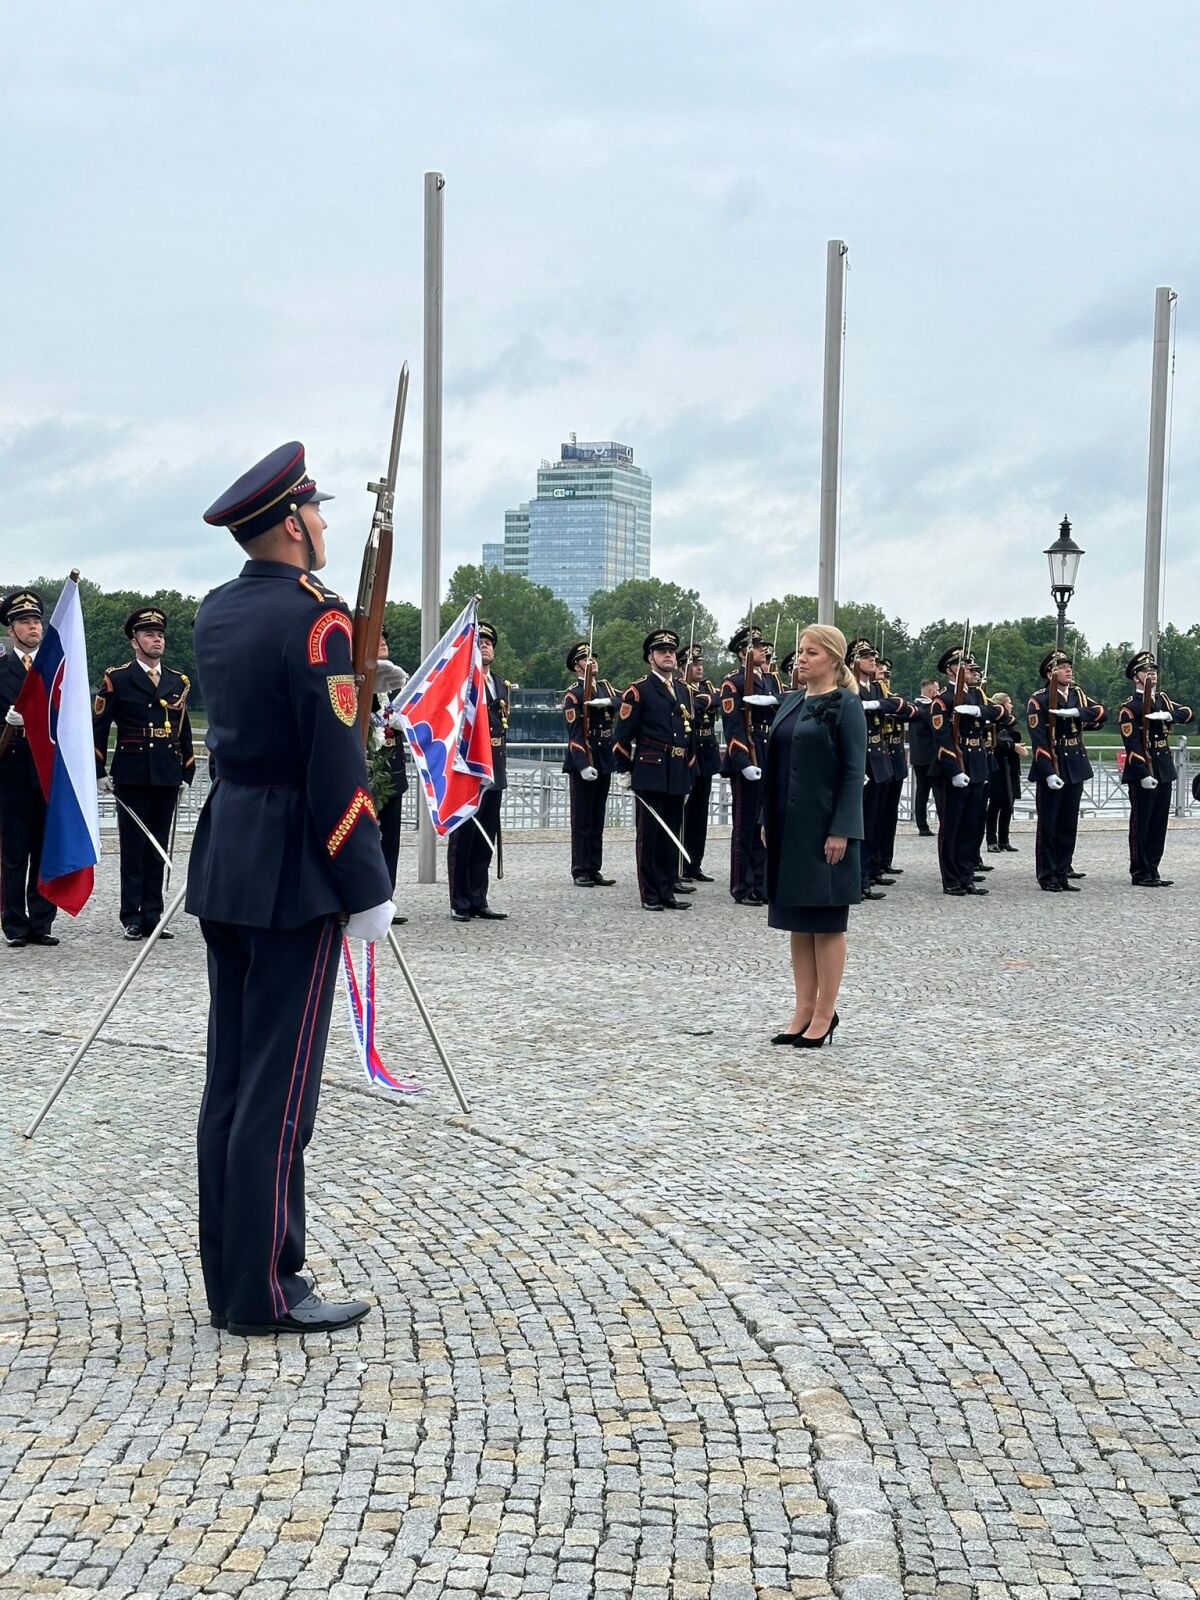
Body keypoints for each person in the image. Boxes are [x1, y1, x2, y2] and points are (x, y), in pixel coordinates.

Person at [189, 441, 395, 1338]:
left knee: (232, 1080)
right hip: (293, 870)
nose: (323, 524)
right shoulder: (319, 622)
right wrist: (368, 878)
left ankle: (232, 1279)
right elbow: (333, 760)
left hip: (228, 852)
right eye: (316, 511)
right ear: (289, 522)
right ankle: (269, 1290)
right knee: (281, 1092)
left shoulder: (216, 611)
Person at [763, 624, 865, 1048]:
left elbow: (852, 771)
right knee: (798, 923)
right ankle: (802, 1008)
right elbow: (775, 765)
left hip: (826, 828)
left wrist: (842, 828)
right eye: (799, 651)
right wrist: (765, 820)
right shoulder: (788, 703)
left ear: (833, 660)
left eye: (811, 653)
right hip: (789, 827)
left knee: (825, 922)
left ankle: (826, 1012)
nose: (800, 659)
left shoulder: (846, 705)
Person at [93, 606, 196, 940]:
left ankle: (154, 914)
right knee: (134, 846)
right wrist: (99, 770)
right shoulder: (118, 679)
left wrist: (186, 772)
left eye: (160, 634)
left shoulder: (177, 681)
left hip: (166, 773)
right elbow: (100, 727)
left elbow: (182, 729)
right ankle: (132, 916)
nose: (157, 640)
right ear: (134, 641)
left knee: (158, 846)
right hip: (133, 771)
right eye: (149, 634)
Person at [613, 628, 694, 911]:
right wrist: (624, 768)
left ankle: (667, 889)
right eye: (662, 651)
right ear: (651, 658)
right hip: (650, 769)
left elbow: (689, 733)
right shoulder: (639, 691)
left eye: (671, 651)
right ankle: (649, 893)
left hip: (677, 770)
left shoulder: (683, 690)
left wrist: (689, 771)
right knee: (650, 836)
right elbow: (622, 735)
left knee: (671, 833)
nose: (669, 655)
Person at [0, 590, 58, 947]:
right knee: (13, 852)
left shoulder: (53, 668)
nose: (33, 626)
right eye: (24, 621)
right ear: (12, 630)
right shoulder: (1, 669)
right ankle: (14, 924)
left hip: (46, 771)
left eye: (36, 620)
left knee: (44, 849)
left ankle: (41, 922)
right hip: (11, 772)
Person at [930, 647, 1013, 896]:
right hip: (956, 767)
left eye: (969, 665)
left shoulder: (977, 697)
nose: (968, 669)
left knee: (973, 825)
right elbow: (942, 738)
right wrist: (954, 769)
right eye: (962, 664)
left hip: (978, 766)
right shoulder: (942, 699)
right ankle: (951, 878)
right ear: (950, 669)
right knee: (952, 826)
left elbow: (1003, 714)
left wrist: (978, 711)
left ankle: (966, 875)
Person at [1026, 649, 1106, 893]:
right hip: (1054, 761)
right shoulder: (1038, 699)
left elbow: (1101, 712)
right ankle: (1047, 875)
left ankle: (1062, 871)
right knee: (1049, 825)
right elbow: (1038, 739)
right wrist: (1048, 771)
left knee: (1068, 824)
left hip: (1075, 765)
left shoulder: (1078, 695)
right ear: (1050, 672)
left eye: (1069, 666)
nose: (1068, 670)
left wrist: (1078, 713)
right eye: (1062, 667)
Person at [447, 622, 509, 922]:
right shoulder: (462, 683)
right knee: (464, 838)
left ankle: (478, 897)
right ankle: (459, 900)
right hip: (469, 770)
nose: (485, 646)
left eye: (489, 643)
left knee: (486, 839)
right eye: (480, 642)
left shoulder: (500, 684)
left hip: (494, 770)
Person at [1118, 650, 1194, 887]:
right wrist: (1142, 773)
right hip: (1144, 769)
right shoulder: (1131, 706)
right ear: (1136, 677)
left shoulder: (1162, 700)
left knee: (1159, 822)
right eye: (1146, 670)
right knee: (1142, 822)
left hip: (1163, 766)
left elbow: (1188, 713)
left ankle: (1153, 868)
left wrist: (1168, 715)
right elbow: (1131, 744)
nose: (1152, 674)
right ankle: (1139, 871)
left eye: (1153, 670)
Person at [720, 625, 776, 905]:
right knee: (744, 826)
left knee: (762, 824)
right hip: (748, 759)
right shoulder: (734, 683)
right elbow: (733, 728)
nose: (763, 650)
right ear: (743, 653)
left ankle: (762, 883)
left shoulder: (766, 681)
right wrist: (743, 761)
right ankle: (742, 885)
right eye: (756, 646)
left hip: (765, 755)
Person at [561, 641, 617, 888]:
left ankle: (594, 867)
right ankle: (580, 869)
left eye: (593, 657)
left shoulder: (604, 687)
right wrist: (583, 764)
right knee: (582, 819)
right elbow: (574, 734)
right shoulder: (573, 694)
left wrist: (608, 703)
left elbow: (624, 700)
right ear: (577, 666)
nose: (592, 661)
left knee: (597, 817)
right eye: (586, 658)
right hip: (584, 758)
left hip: (604, 757)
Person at [846, 639, 895, 898]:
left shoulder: (876, 689)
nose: (873, 660)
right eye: (866, 656)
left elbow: (899, 707)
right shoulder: (849, 687)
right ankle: (858, 879)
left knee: (874, 823)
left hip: (879, 762)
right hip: (863, 762)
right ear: (854, 661)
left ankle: (869, 873)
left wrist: (877, 704)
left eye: (874, 656)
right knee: (859, 824)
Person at [372, 633, 409, 921]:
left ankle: (386, 900)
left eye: (386, 638)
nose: (384, 641)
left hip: (393, 775)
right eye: (378, 639)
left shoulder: (398, 685)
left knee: (390, 844)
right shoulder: (362, 685)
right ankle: (365, 900)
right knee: (367, 840)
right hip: (367, 774)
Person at [679, 645, 720, 883]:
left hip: (706, 755)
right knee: (684, 812)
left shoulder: (706, 687)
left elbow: (715, 699)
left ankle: (695, 863)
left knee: (700, 813)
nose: (699, 668)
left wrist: (703, 699)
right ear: (683, 666)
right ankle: (680, 863)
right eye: (694, 664)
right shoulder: (679, 688)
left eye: (700, 663)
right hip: (688, 754)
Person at [875, 655, 913, 879]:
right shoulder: (874, 696)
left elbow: (912, 712)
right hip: (880, 758)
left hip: (895, 762)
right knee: (876, 816)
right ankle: (875, 863)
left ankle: (885, 860)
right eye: (882, 674)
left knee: (889, 817)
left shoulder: (892, 699)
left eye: (887, 676)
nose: (885, 680)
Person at [984, 692, 1024, 853]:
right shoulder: (993, 723)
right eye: (1009, 703)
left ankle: (1004, 840)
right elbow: (995, 743)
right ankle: (991, 840)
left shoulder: (1009, 722)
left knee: (1009, 804)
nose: (1011, 706)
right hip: (998, 767)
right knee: (995, 805)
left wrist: (1016, 747)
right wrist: (1012, 747)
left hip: (1011, 766)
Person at [908, 678, 941, 836]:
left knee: (921, 790)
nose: (939, 693)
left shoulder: (913, 706)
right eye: (937, 690)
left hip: (916, 755)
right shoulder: (929, 709)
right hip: (930, 756)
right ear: (930, 691)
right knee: (938, 790)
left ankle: (922, 824)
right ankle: (943, 821)